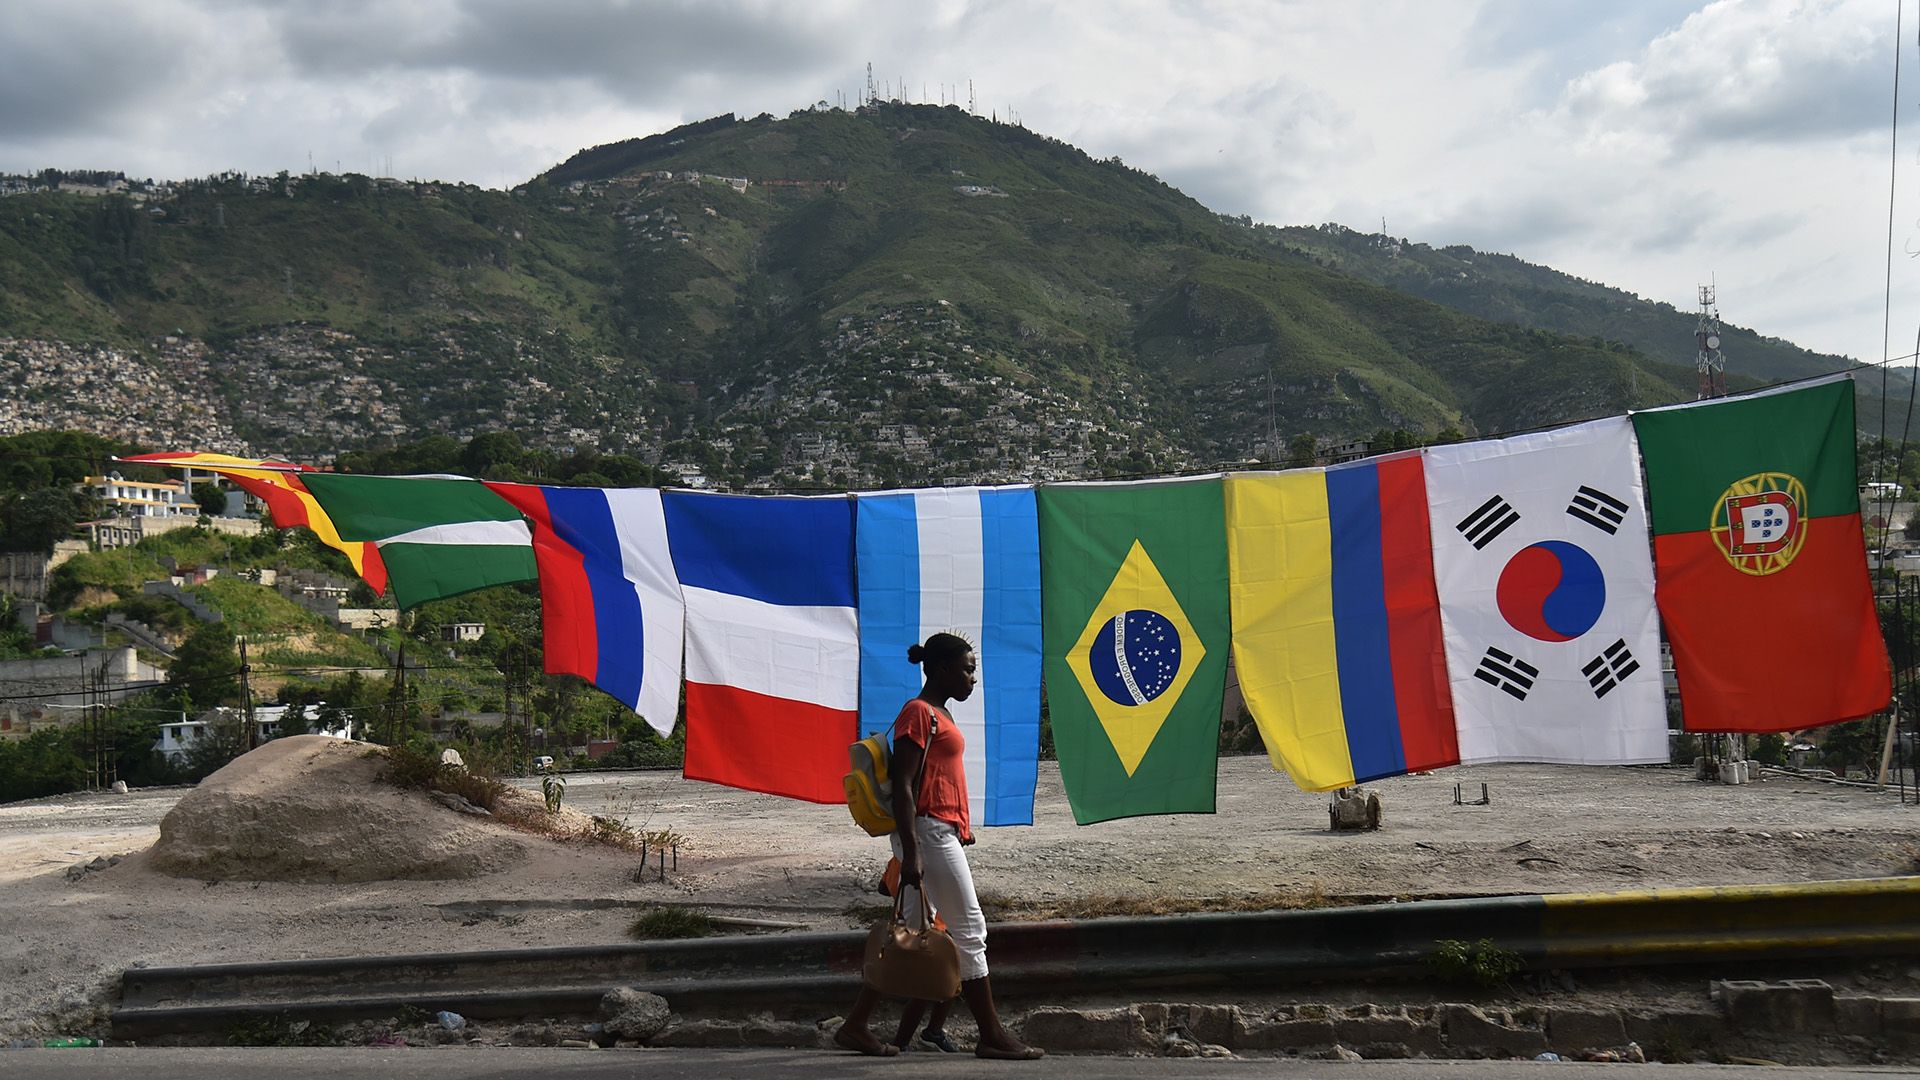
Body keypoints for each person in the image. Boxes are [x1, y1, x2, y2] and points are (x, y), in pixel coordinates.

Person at [833, 632, 1043, 1060]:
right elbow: (907, 787)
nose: (973, 679)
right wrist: (911, 853)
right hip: (926, 835)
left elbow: (936, 782)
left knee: (907, 936)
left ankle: (855, 1026)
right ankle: (991, 1035)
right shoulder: (919, 712)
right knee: (970, 931)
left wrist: (959, 825)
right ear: (942, 669)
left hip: (937, 832)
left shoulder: (938, 713)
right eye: (968, 669)